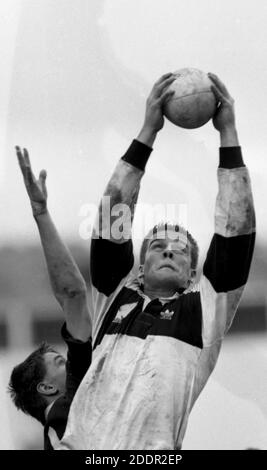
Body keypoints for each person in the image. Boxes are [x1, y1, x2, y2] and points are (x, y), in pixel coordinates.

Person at [58, 73, 256, 450]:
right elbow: (113, 213)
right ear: (140, 267)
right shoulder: (113, 297)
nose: (168, 250)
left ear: (193, 273)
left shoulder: (205, 313)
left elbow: (236, 228)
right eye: (157, 246)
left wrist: (227, 133)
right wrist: (148, 131)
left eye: (180, 249)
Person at [8, 147, 92, 450]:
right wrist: (41, 214)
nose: (71, 360)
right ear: (47, 387)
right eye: (61, 362)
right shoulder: (67, 409)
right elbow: (73, 293)